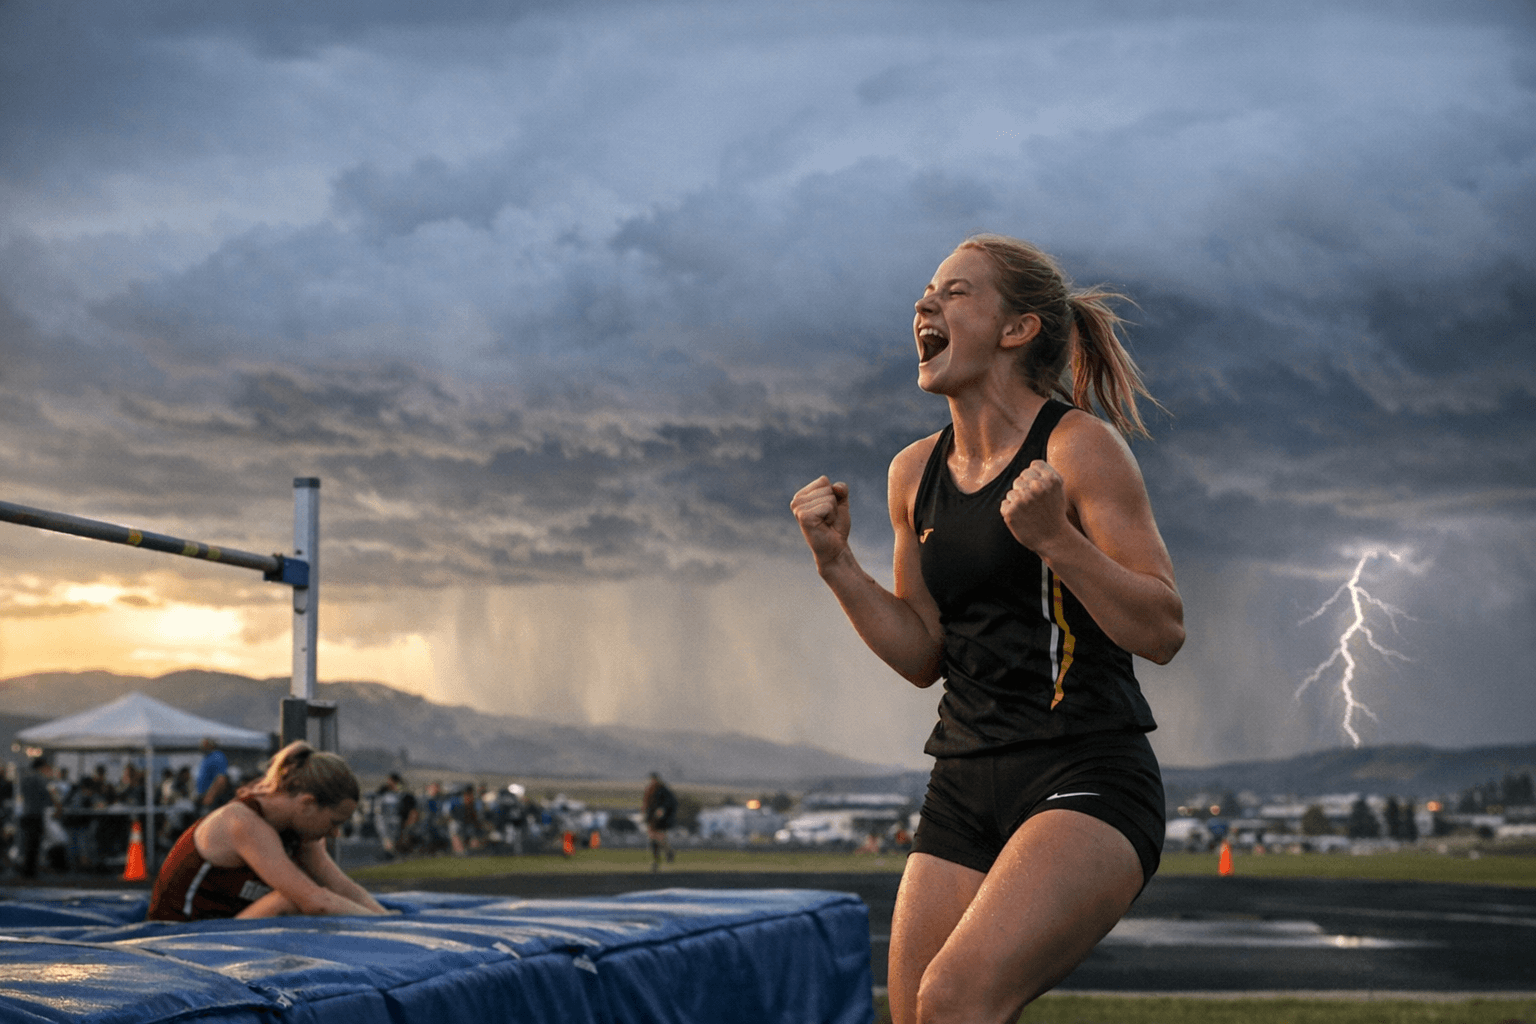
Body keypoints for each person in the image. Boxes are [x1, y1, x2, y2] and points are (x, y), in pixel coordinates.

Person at [791, 234, 1183, 1024]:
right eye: (927, 291)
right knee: (913, 1015)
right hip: (964, 779)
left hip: (1086, 771)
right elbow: (922, 653)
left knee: (956, 999)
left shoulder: (1079, 447)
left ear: (1017, 329)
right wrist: (838, 567)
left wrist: (1057, 541)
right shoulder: (914, 473)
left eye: (956, 291)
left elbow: (1163, 627)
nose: (925, 304)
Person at [147, 741, 390, 921]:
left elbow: (341, 887)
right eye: (333, 823)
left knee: (311, 898)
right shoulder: (243, 821)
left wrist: (395, 924)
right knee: (290, 899)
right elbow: (316, 902)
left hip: (223, 931)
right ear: (306, 804)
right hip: (180, 935)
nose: (335, 834)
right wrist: (385, 931)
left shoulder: (301, 830)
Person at [17, 757, 58, 879]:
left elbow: (23, 794)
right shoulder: (41, 779)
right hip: (36, 814)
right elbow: (48, 796)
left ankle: (26, 869)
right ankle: (31, 871)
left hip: (26, 813)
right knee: (34, 844)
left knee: (26, 843)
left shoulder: (24, 779)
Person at [642, 772, 677, 870]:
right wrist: (646, 815)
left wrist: (663, 809)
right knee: (654, 840)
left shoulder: (662, 789)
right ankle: (657, 861)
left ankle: (667, 853)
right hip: (652, 819)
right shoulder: (649, 790)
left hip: (660, 820)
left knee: (660, 838)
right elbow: (647, 804)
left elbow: (671, 801)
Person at [194, 738, 230, 817]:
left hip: (211, 798)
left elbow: (221, 779)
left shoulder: (217, 756)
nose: (201, 746)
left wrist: (210, 796)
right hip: (204, 796)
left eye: (204, 744)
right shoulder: (207, 757)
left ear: (211, 746)